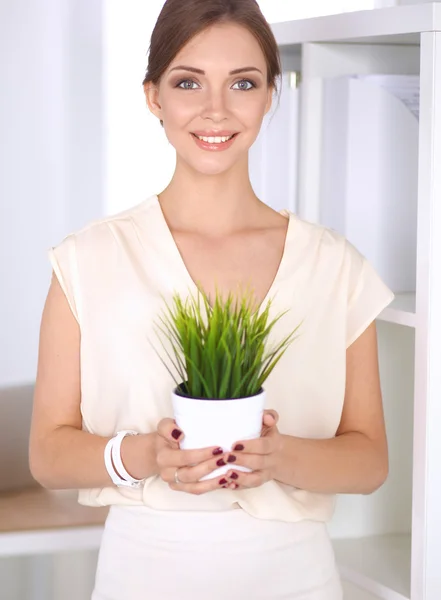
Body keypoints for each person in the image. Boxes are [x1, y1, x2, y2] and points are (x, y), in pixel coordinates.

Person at [29, 1, 395, 598]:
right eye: (187, 82)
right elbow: (47, 453)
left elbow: (369, 461)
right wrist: (147, 454)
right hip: (143, 573)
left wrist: (277, 457)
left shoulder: (333, 266)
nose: (215, 110)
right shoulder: (88, 260)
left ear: (271, 95)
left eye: (243, 83)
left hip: (295, 578)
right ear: (154, 97)